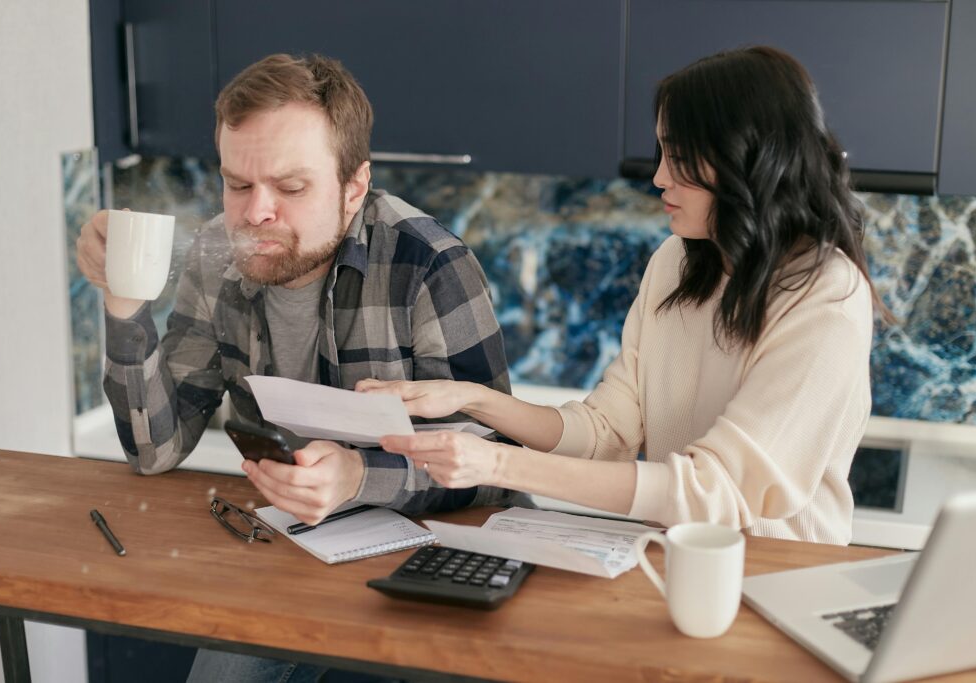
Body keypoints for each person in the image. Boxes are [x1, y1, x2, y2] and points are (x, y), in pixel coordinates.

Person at [76, 53, 517, 682]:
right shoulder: (213, 257)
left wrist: (358, 475)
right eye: (237, 184)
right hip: (287, 547)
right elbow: (154, 449)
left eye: (290, 188)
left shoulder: (429, 264)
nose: (256, 213)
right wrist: (123, 296)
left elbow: (498, 460)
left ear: (355, 187)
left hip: (434, 552)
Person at [361, 46, 882, 546]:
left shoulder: (826, 297)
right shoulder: (677, 262)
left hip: (781, 575)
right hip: (675, 560)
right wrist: (471, 399)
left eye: (679, 158)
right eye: (662, 154)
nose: (658, 178)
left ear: (747, 160)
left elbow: (714, 490)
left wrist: (498, 463)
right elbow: (606, 430)